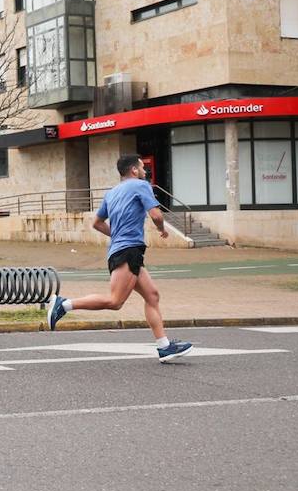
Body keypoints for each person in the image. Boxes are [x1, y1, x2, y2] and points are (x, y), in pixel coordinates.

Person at [46, 154, 193, 363]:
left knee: (152, 296)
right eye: (142, 167)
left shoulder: (112, 193)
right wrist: (162, 230)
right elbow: (157, 215)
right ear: (134, 170)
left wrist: (117, 236)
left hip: (124, 250)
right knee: (115, 302)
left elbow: (97, 223)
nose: (145, 171)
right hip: (129, 251)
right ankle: (64, 304)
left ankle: (164, 347)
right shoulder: (141, 185)